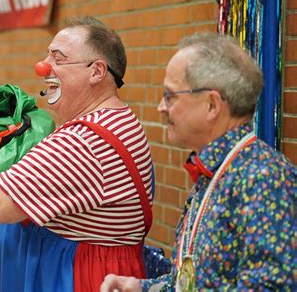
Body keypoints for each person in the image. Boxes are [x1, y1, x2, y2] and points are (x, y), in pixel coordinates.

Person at [0, 16, 155, 291]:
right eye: (47, 56)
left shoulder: (84, 142)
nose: (43, 67)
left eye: (58, 58)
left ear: (96, 72)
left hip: (77, 280)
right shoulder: (116, 119)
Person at [100, 32, 296, 291]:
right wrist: (140, 288)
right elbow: (193, 283)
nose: (161, 107)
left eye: (170, 96)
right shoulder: (214, 172)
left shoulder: (263, 178)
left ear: (212, 105)